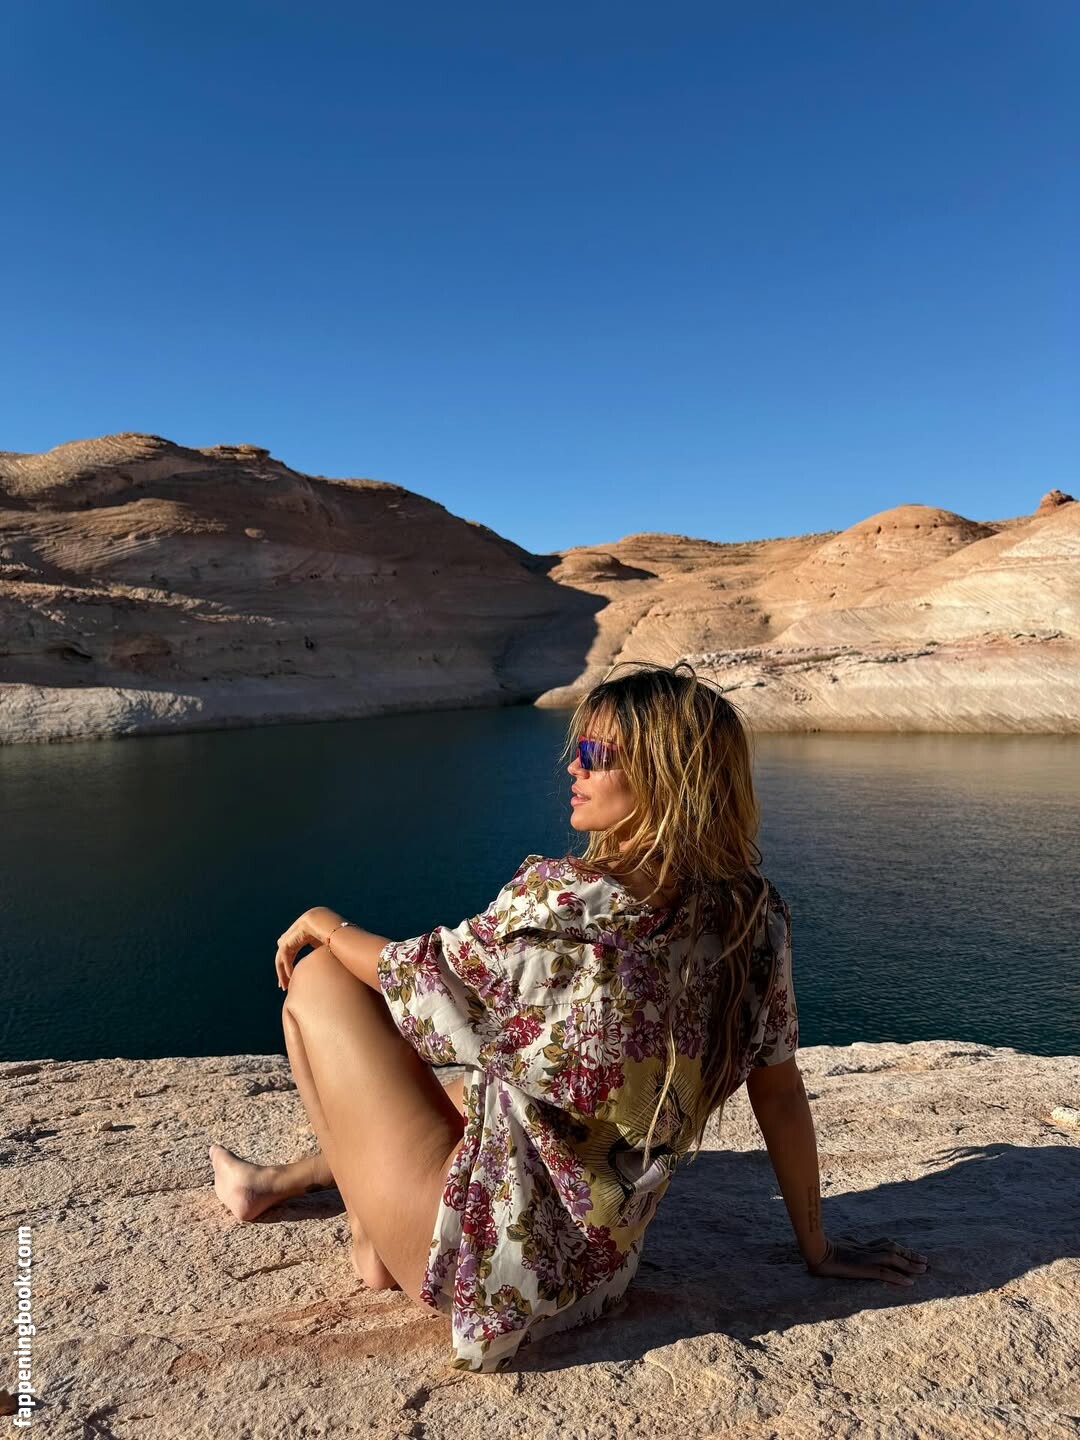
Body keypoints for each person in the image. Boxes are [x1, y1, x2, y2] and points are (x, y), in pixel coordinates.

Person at [209, 660, 930, 1372]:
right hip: (596, 1276)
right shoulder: (754, 919)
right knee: (478, 1088)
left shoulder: (566, 901)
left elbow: (419, 975)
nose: (572, 768)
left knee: (319, 978)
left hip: (475, 1272)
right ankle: (275, 1182)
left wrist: (326, 923)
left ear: (662, 776)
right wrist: (818, 1248)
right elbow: (780, 1093)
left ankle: (374, 1239)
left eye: (594, 753)